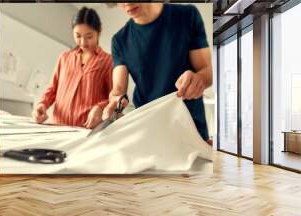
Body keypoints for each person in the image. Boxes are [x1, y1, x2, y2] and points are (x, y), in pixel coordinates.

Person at [103, 3, 212, 141]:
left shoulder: (187, 15)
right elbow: (118, 89)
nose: (126, 3)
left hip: (191, 128)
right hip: (147, 129)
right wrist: (115, 103)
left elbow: (207, 71)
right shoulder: (119, 40)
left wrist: (198, 79)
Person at [32, 7, 113, 129]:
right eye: (78, 36)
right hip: (57, 128)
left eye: (89, 36)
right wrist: (42, 104)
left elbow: (114, 97)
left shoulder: (108, 61)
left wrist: (100, 107)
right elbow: (52, 89)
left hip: (86, 132)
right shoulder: (64, 58)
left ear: (99, 31)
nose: (83, 42)